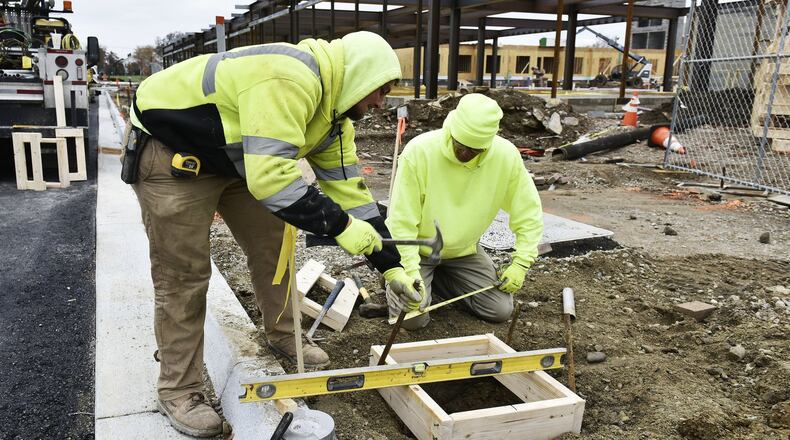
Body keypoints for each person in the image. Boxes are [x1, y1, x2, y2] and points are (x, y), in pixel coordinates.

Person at [124, 31, 421, 438]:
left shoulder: (335, 115)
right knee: (184, 275)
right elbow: (275, 183)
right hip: (174, 152)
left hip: (238, 159)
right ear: (358, 76)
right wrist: (343, 230)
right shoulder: (289, 78)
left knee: (274, 247)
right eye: (378, 91)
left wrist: (393, 266)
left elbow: (355, 199)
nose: (379, 104)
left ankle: (283, 335)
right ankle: (180, 389)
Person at [385, 93, 544, 330]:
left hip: (463, 252)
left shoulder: (506, 156)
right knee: (414, 320)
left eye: (474, 150)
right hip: (418, 250)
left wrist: (521, 263)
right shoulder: (420, 152)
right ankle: (394, 279)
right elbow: (401, 221)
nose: (465, 155)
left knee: (500, 310)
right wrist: (409, 269)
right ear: (451, 131)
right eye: (461, 146)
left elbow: (528, 213)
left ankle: (437, 281)